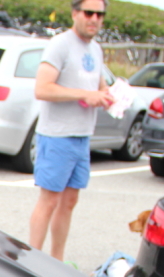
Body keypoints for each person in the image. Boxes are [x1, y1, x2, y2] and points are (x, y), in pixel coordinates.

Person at [27, 0, 113, 261]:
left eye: (100, 14)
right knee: (49, 200)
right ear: (75, 13)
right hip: (57, 135)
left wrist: (109, 95)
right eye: (89, 13)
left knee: (69, 201)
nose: (94, 19)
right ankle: (32, 261)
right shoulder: (60, 44)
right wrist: (85, 94)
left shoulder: (96, 49)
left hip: (82, 135)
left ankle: (57, 262)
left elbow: (98, 88)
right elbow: (43, 88)